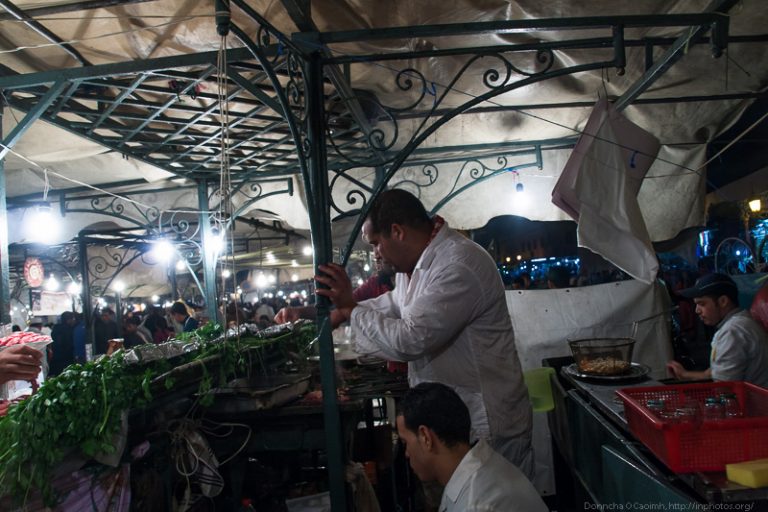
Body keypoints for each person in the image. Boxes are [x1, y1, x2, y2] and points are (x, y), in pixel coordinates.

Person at [315, 189, 534, 477]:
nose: (376, 253)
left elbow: (410, 338)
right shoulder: (415, 267)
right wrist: (341, 311)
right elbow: (394, 304)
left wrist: (351, 309)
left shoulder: (458, 264)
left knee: (494, 503)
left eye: (376, 243)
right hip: (459, 422)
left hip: (487, 424)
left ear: (397, 231)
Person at [397, 382, 547, 512]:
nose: (407, 454)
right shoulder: (483, 465)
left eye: (406, 443)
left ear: (425, 437)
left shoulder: (476, 505)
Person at [666, 273, 768, 387]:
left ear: (723, 301)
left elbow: (723, 387)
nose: (697, 311)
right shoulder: (742, 321)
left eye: (702, 304)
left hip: (754, 403)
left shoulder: (732, 331)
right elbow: (714, 373)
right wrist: (685, 375)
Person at [274, 259, 395, 327]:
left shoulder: (410, 283)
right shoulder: (374, 284)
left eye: (378, 242)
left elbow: (342, 310)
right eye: (374, 245)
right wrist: (300, 312)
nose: (377, 255)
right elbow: (336, 310)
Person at [49, 311, 77, 376]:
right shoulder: (68, 330)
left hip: (55, 359)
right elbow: (68, 345)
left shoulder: (55, 328)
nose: (73, 321)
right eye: (73, 319)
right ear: (68, 320)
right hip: (66, 359)